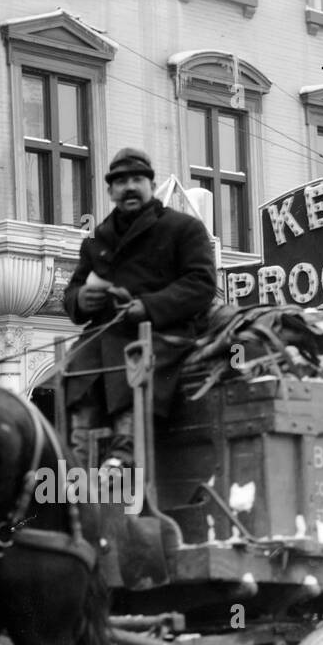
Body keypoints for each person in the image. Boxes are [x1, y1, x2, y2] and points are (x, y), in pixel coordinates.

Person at [63, 147, 217, 471]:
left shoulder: (183, 228)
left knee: (132, 356)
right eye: (120, 182)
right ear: (110, 191)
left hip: (165, 332)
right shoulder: (96, 240)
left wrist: (147, 307)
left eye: (137, 179)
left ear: (151, 184)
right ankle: (78, 460)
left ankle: (124, 454)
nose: (129, 187)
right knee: (74, 367)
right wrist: (80, 299)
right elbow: (73, 291)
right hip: (106, 333)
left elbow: (201, 285)